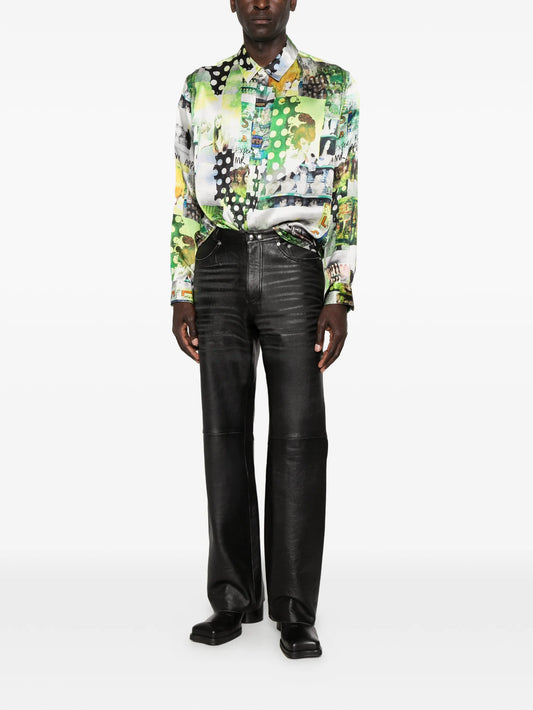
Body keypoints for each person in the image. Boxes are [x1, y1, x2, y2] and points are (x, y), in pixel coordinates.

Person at [170, 0, 359, 659]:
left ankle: (295, 610)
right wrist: (181, 289)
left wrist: (338, 291)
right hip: (217, 264)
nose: (259, 3)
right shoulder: (203, 86)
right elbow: (184, 192)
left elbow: (345, 192)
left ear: (291, 1)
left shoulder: (331, 85)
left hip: (294, 267)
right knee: (223, 434)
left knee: (300, 437)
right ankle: (232, 598)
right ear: (232, 1)